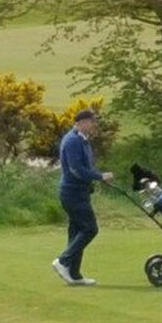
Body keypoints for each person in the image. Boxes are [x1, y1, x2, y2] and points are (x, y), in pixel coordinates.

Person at [52, 109, 113, 286]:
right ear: (82, 122)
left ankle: (74, 274)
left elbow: (87, 168)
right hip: (72, 193)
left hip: (80, 192)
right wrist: (100, 176)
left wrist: (100, 177)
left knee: (76, 232)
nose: (94, 125)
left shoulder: (83, 140)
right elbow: (76, 170)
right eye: (92, 121)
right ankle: (63, 261)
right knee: (90, 229)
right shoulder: (72, 141)